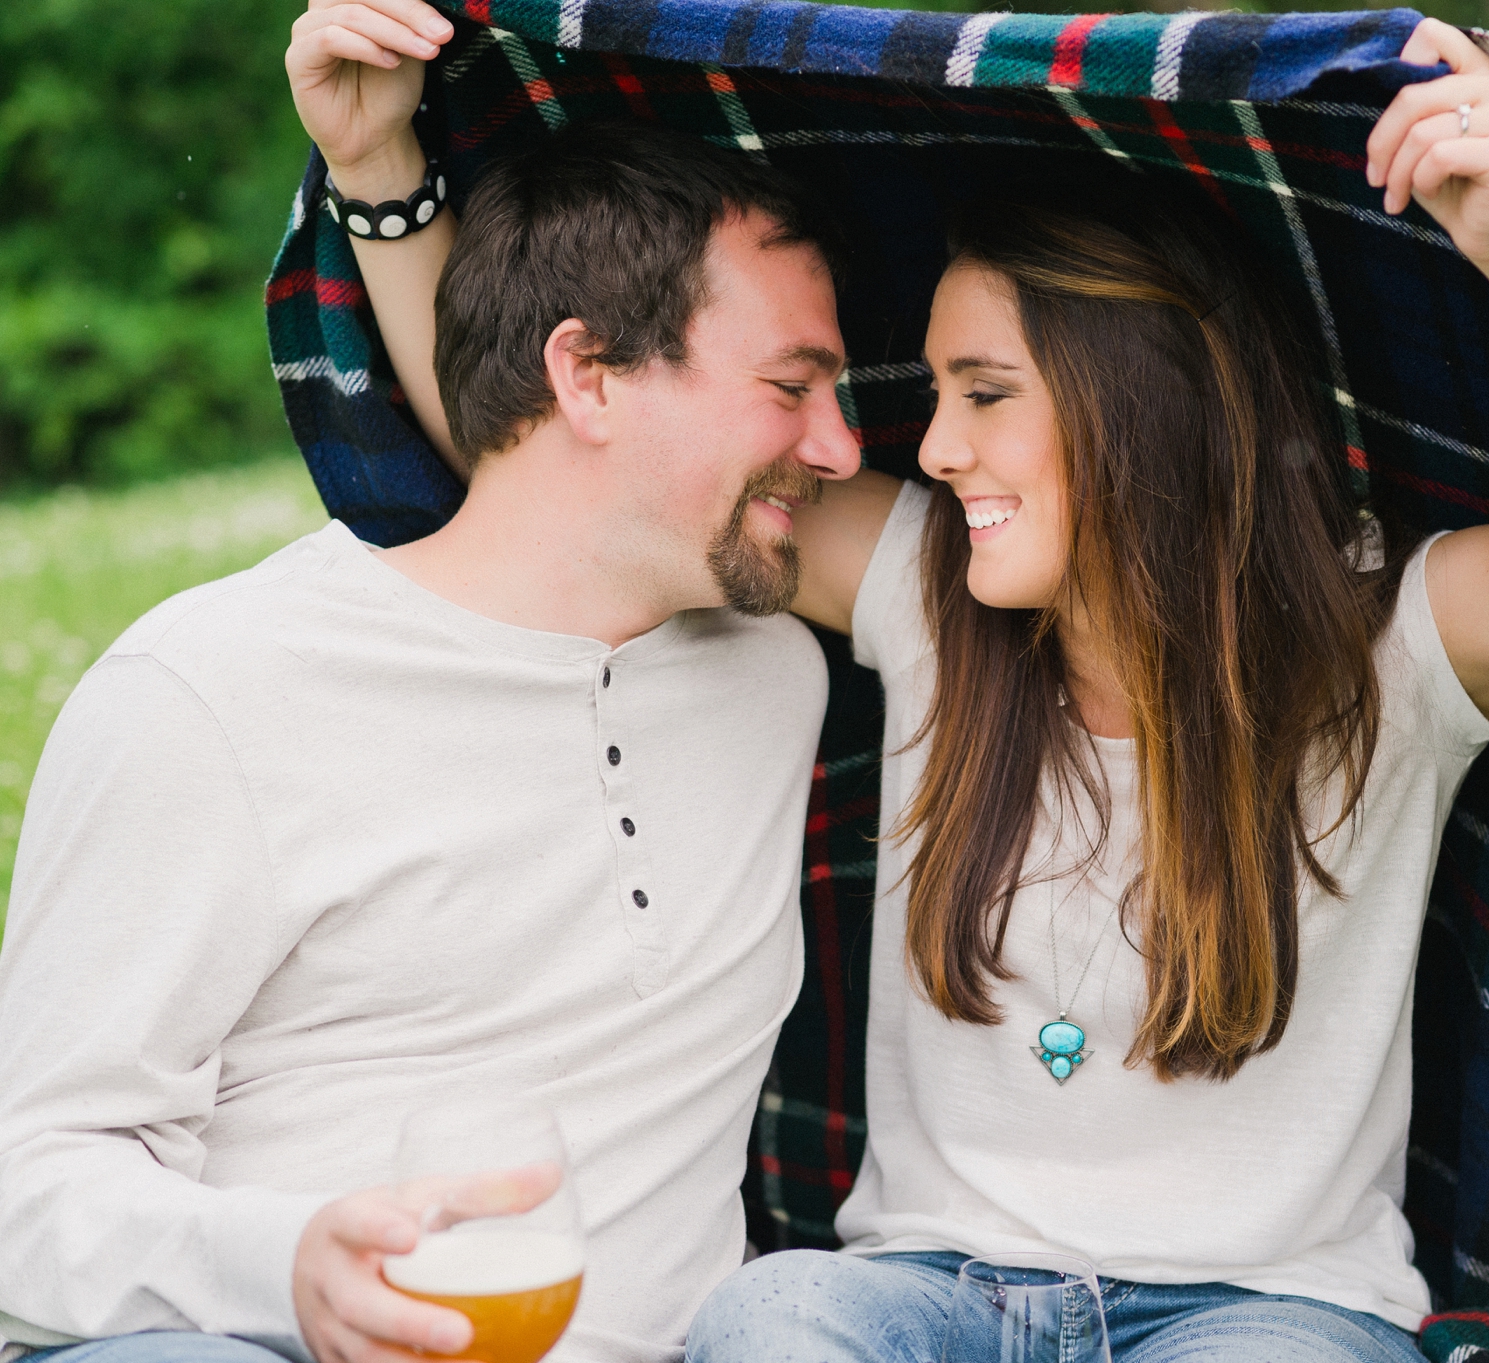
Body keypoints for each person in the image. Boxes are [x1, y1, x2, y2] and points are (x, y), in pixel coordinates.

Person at [335, 9, 1489, 1357]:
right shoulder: (927, 591)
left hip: (1268, 1311)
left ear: (1145, 400)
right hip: (924, 1297)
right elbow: (554, 455)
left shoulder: (1386, 639)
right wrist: (377, 173)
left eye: (985, 393)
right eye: (938, 393)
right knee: (775, 1317)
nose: (931, 448)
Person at [0, 6, 861, 1363]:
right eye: (794, 386)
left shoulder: (776, 675)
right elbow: (22, 1188)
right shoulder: (214, 691)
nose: (842, 445)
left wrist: (387, 175)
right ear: (583, 374)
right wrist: (277, 1268)